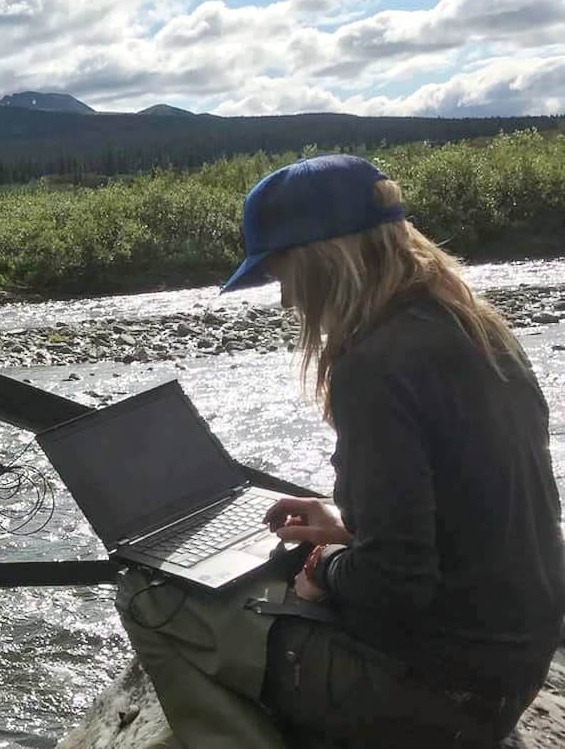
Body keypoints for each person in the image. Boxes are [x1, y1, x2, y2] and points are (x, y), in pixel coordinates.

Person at [116, 154, 565, 748]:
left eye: (283, 277)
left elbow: (394, 585)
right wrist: (351, 525)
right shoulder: (479, 329)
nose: (285, 302)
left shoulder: (374, 366)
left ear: (323, 261)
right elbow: (479, 514)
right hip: (512, 666)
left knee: (147, 597)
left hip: (444, 695)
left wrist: (325, 570)